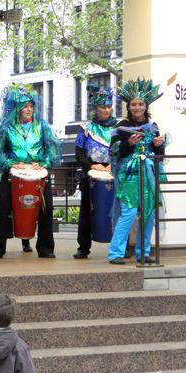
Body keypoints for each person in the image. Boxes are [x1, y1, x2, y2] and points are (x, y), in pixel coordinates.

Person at [0, 85, 60, 260]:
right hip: (12, 175)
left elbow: (53, 150)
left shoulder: (42, 126)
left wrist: (43, 163)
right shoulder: (7, 128)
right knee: (2, 208)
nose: (28, 109)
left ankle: (46, 248)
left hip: (38, 176)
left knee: (46, 209)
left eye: (31, 106)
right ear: (17, 108)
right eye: (25, 106)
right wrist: (11, 163)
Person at [108, 78, 165, 265]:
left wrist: (158, 145)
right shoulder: (120, 127)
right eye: (134, 104)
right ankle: (116, 253)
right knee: (129, 213)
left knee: (148, 213)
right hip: (128, 176)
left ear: (146, 106)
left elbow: (160, 156)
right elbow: (113, 153)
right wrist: (128, 144)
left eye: (141, 104)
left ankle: (143, 253)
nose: (137, 107)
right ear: (129, 106)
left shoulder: (153, 127)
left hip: (147, 175)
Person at [74, 86, 117, 259]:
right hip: (91, 174)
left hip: (113, 172)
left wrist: (112, 166)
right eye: (102, 108)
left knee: (118, 212)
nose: (106, 110)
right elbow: (78, 154)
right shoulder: (86, 128)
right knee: (86, 212)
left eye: (108, 107)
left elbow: (123, 152)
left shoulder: (118, 128)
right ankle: (83, 247)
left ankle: (121, 246)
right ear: (96, 109)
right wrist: (91, 166)